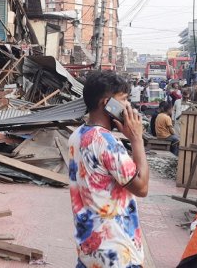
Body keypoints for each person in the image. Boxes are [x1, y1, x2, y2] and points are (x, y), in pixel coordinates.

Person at [68, 71, 149, 268]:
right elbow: (142, 187)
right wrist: (136, 139)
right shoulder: (106, 142)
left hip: (89, 249)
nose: (128, 107)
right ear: (107, 104)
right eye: (124, 100)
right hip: (117, 254)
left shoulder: (77, 135)